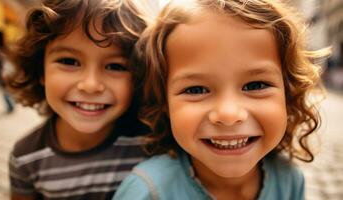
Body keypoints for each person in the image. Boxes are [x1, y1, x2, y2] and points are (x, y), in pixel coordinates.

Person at [113, 0, 331, 199]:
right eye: (196, 89)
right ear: (164, 103)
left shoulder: (289, 180)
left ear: (288, 93)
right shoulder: (147, 192)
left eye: (256, 85)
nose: (229, 114)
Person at [7, 0, 150, 199]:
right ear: (41, 71)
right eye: (69, 61)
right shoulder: (26, 158)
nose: (90, 85)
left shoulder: (153, 143)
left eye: (115, 66)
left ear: (139, 77)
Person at [0, 29, 14, 113]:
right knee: (5, 91)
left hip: (2, 75)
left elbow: (3, 65)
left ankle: (10, 105)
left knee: (5, 91)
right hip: (0, 75)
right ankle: (10, 105)